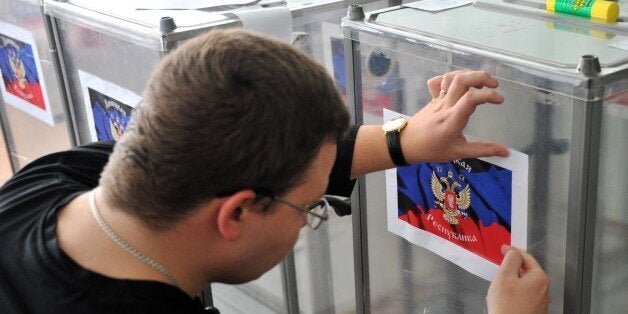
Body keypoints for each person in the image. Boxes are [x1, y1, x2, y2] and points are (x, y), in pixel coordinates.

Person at [0, 29, 549, 313]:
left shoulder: (59, 178)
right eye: (309, 208)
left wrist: (403, 143)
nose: (309, 216)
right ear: (236, 212)